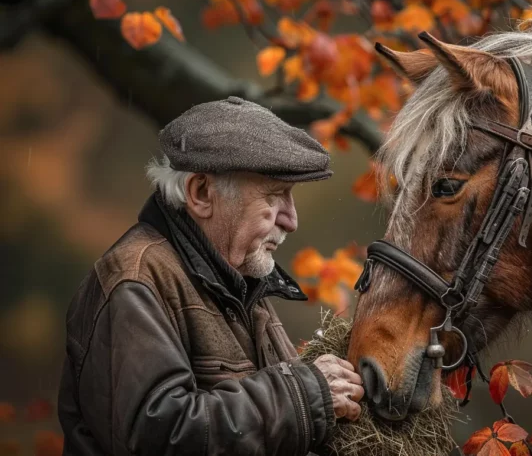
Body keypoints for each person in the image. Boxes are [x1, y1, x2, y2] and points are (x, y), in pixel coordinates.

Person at [57, 96, 364, 455]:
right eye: (275, 195)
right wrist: (305, 394)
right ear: (201, 193)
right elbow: (162, 438)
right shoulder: (135, 281)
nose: (291, 221)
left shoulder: (242, 279)